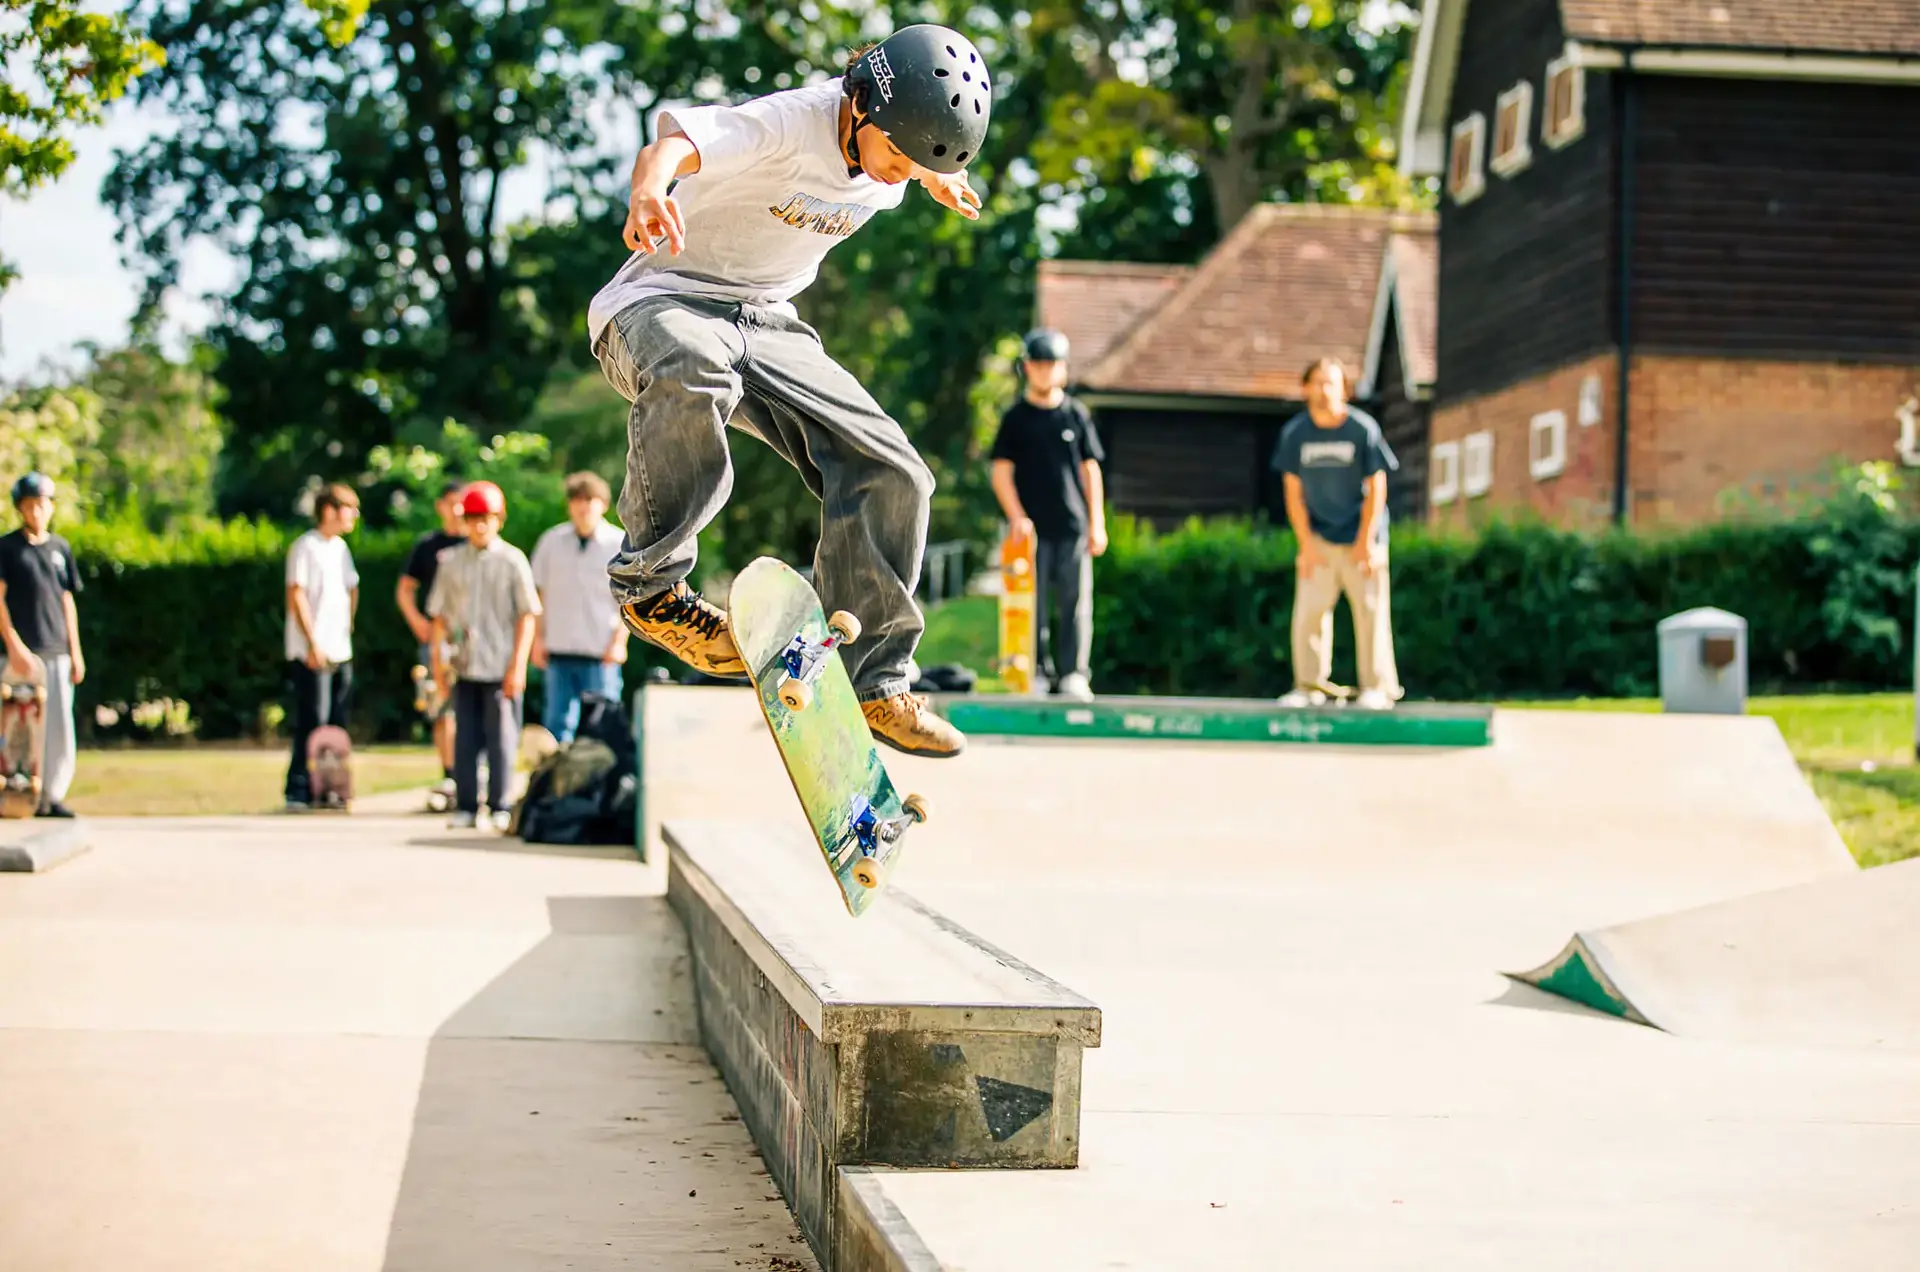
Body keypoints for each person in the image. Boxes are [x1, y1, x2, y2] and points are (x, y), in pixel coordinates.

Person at [587, 23, 994, 759]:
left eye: (912, 166)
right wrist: (649, 188)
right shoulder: (790, 123)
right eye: (896, 155)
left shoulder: (896, 163)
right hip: (659, 306)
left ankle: (874, 682)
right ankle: (654, 589)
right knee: (695, 364)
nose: (895, 175)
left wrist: (933, 173)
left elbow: (904, 162)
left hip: (769, 324)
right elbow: (675, 140)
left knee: (896, 471)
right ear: (862, 106)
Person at [1270, 357, 1403, 710]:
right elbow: (1293, 492)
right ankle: (1309, 687)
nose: (1324, 390)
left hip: (1363, 536)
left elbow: (1377, 486)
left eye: (1331, 383)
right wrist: (1306, 546)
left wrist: (1366, 542)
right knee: (1309, 613)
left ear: (1343, 389)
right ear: (1306, 388)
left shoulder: (1362, 429)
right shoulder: (1296, 434)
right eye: (1317, 383)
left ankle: (1378, 688)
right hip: (1320, 539)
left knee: (1371, 611)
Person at [988, 328, 1107, 701]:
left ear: (1062, 369)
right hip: (1031, 533)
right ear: (1027, 367)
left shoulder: (1076, 415)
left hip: (1073, 526)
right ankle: (1037, 673)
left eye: (1051, 364)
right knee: (1031, 607)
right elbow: (1001, 473)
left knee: (1075, 604)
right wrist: (1017, 516)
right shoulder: (1016, 418)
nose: (1044, 371)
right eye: (1038, 364)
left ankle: (1074, 675)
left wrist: (1097, 522)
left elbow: (1091, 470)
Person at [426, 480, 541, 831]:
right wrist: (438, 666)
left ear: (498, 519)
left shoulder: (512, 560)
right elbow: (440, 618)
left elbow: (527, 615)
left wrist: (518, 666)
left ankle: (500, 804)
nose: (478, 524)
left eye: (485, 517)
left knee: (502, 740)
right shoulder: (450, 562)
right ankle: (465, 806)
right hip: (464, 664)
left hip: (500, 663)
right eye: (472, 517)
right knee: (465, 738)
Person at [0, 473, 84, 817]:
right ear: (21, 508)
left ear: (51, 507)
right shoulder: (7, 548)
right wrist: (14, 647)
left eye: (43, 504)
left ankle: (51, 796)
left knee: (59, 728)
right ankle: (14, 793)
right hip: (21, 653)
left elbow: (67, 601)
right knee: (17, 725)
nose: (37, 510)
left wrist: (75, 651)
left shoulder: (60, 549)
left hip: (57, 650)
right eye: (30, 504)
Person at [530, 471, 628, 743]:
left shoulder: (619, 545)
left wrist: (620, 641)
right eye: (577, 500)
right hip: (558, 650)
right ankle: (558, 784)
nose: (583, 506)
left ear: (603, 504)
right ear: (569, 505)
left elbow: (628, 601)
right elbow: (538, 594)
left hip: (600, 652)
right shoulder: (551, 542)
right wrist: (537, 639)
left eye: (590, 499)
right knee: (556, 726)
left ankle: (601, 784)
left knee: (601, 726)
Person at [283, 483, 361, 810]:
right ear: (329, 510)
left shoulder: (341, 549)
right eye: (349, 508)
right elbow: (296, 594)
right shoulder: (306, 548)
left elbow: (352, 588)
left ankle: (331, 788)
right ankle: (298, 787)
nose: (354, 516)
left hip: (339, 648)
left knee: (335, 724)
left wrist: (347, 626)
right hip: (311, 651)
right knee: (312, 721)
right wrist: (313, 641)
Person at [397, 480, 466, 803]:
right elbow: (405, 590)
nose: (456, 510)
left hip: (471, 639)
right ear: (440, 506)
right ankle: (450, 774)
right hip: (438, 640)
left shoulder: (476, 543)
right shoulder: (428, 547)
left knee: (472, 706)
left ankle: (471, 772)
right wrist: (419, 624)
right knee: (441, 709)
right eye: (450, 502)